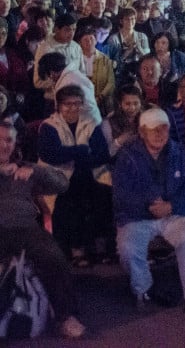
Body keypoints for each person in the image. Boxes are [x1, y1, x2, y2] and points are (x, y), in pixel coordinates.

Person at [113, 109, 185, 318]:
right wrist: (150, 205)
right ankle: (145, 289)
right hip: (138, 216)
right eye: (154, 130)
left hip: (174, 212)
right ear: (142, 132)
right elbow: (122, 193)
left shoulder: (180, 153)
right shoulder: (127, 155)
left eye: (164, 128)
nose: (160, 134)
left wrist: (171, 206)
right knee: (127, 247)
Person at [0, 120, 86, 338]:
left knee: (53, 256)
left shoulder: (25, 167)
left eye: (8, 140)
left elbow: (61, 184)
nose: (4, 145)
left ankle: (66, 316)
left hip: (25, 228)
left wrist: (34, 171)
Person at [37, 85, 112, 266]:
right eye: (67, 104)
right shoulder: (49, 126)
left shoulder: (90, 123)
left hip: (88, 173)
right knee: (69, 199)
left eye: (77, 104)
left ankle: (101, 246)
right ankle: (77, 250)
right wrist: (81, 151)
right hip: (58, 176)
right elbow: (51, 155)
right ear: (59, 106)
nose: (72, 108)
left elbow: (101, 154)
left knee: (104, 195)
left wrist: (73, 154)